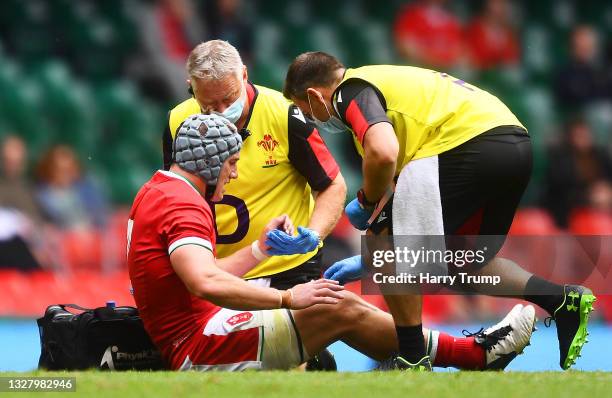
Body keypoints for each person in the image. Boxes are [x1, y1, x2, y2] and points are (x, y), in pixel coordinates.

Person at [130, 112, 536, 371]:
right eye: (232, 164)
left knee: (332, 301)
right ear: (212, 162)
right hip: (197, 346)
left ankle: (450, 354)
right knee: (330, 304)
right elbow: (204, 284)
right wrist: (290, 298)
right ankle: (472, 355)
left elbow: (201, 274)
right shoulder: (183, 204)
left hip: (195, 333)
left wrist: (260, 250)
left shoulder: (161, 191)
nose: (234, 174)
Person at [281, 51, 596, 370]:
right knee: (464, 262)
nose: (312, 119)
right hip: (514, 145)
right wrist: (369, 260)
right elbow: (409, 199)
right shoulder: (384, 84)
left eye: (306, 110)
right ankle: (561, 300)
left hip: (465, 146)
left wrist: (366, 202)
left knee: (383, 239)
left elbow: (384, 152)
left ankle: (412, 357)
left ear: (313, 95)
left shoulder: (350, 90)